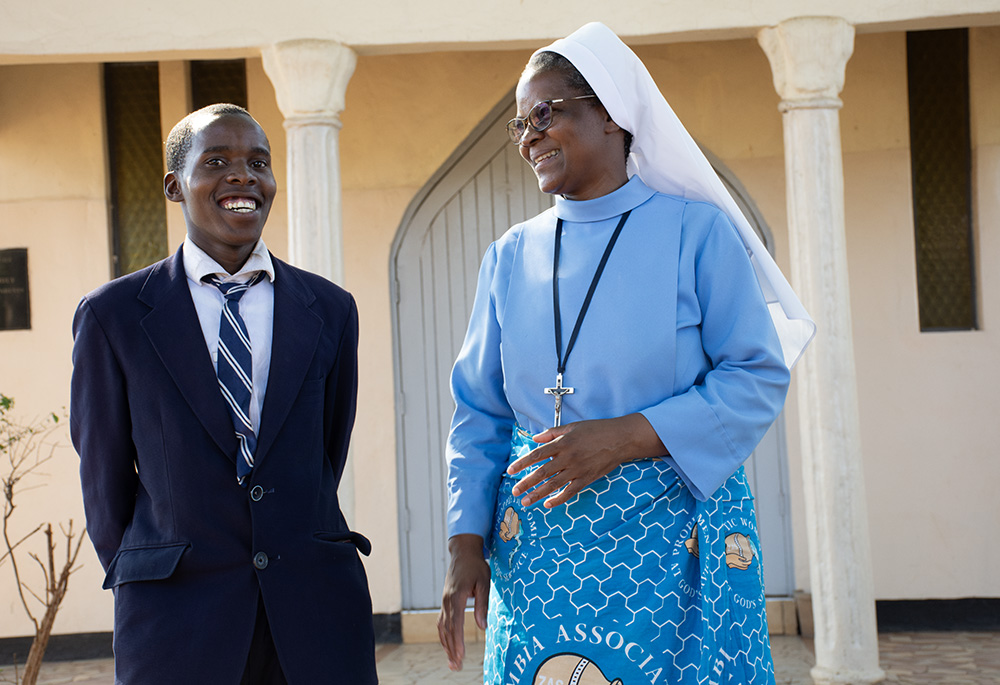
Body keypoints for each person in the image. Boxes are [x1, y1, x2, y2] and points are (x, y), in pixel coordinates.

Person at [437, 23, 814, 685]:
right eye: (520, 124)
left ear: (611, 114)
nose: (529, 136)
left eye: (546, 113)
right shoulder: (508, 256)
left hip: (671, 543)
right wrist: (466, 542)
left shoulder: (696, 233)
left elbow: (754, 374)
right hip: (542, 552)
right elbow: (479, 410)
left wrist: (626, 437)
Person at [70, 104, 376, 684]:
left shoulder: (329, 309)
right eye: (218, 162)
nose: (243, 176)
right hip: (177, 620)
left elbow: (326, 451)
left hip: (315, 613)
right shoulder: (113, 316)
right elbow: (103, 476)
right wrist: (151, 569)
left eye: (258, 162)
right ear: (174, 185)